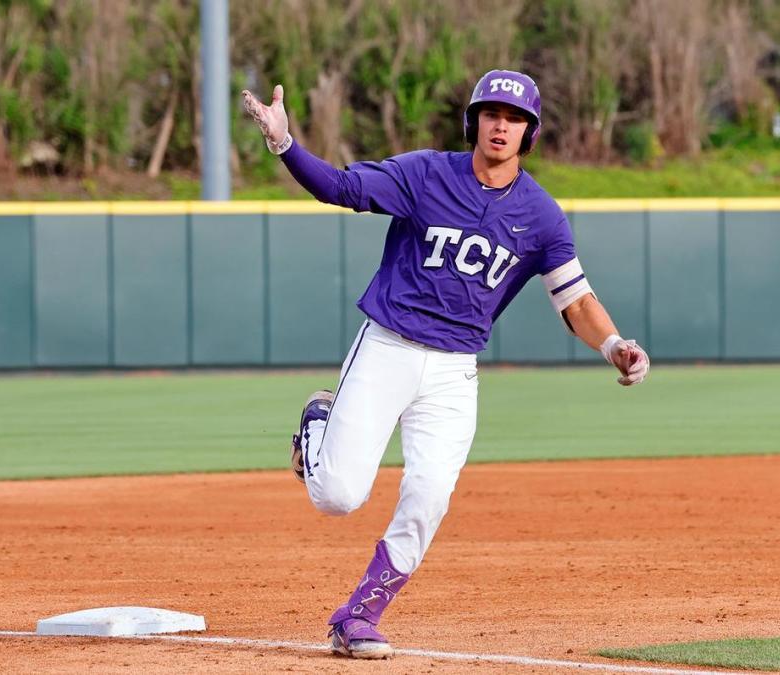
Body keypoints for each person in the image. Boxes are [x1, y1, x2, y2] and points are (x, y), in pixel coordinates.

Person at [241, 69, 649, 660]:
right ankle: (317, 428)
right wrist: (285, 143)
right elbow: (339, 187)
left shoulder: (541, 216)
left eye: (514, 119)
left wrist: (614, 345)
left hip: (455, 370)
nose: (501, 126)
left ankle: (359, 615)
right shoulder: (426, 174)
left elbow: (576, 299)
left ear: (529, 132)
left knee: (430, 494)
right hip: (389, 347)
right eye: (491, 114)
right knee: (336, 496)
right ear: (474, 122)